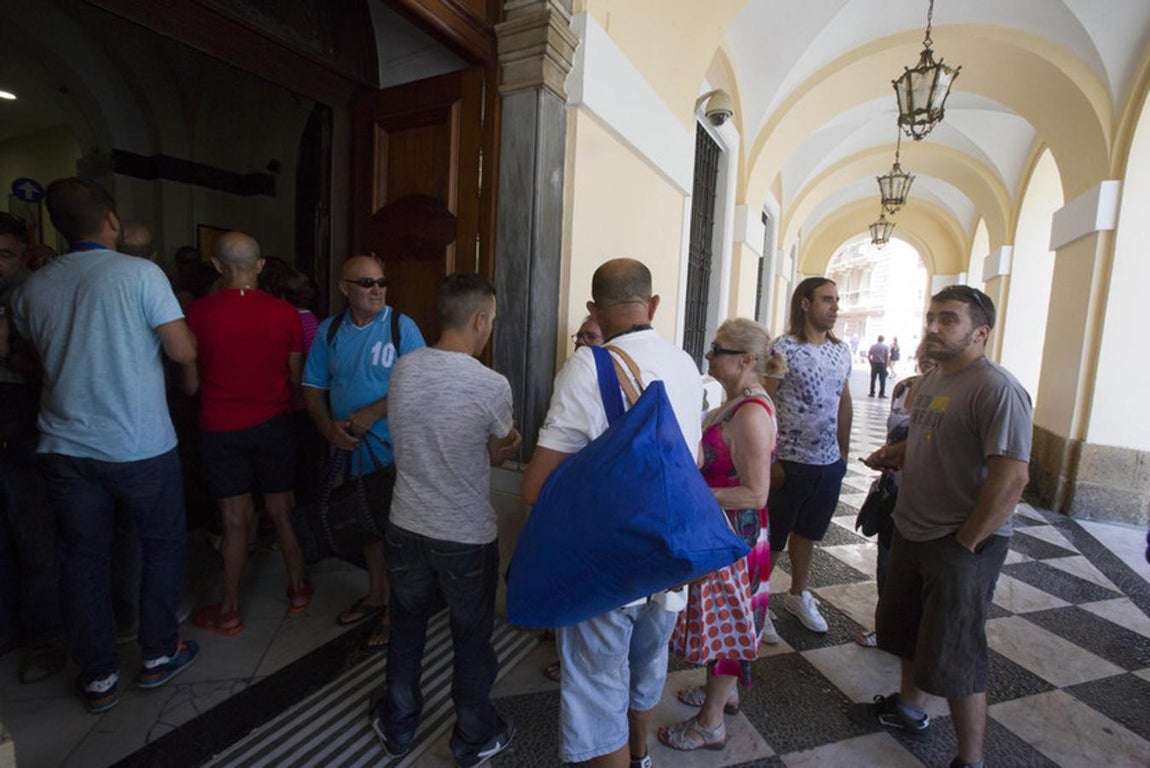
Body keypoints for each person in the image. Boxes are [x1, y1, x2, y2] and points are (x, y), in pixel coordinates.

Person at [12, 177, 199, 713]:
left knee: (80, 558)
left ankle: (97, 677)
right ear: (111, 219)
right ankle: (160, 654)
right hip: (139, 443)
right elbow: (181, 348)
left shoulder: (34, 286)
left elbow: (29, 357)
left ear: (55, 226)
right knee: (161, 545)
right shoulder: (141, 274)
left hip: (65, 447)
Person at [522, 258, 704, 768]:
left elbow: (535, 488)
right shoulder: (688, 365)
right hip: (670, 561)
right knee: (646, 670)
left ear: (593, 311)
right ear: (653, 305)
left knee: (598, 694)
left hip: (609, 567)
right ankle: (641, 756)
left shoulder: (588, 365)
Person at [859, 286, 1031, 768]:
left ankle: (970, 759)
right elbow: (930, 441)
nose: (933, 326)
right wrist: (897, 455)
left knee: (957, 654)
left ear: (981, 332)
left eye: (948, 319)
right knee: (909, 631)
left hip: (959, 542)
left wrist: (966, 544)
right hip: (913, 530)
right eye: (931, 316)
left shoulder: (997, 389)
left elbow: (1012, 478)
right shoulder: (935, 380)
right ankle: (911, 710)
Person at [371, 273, 520, 766]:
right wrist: (508, 442)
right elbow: (497, 456)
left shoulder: (404, 369)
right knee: (471, 635)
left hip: (405, 524)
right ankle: (473, 733)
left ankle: (398, 723)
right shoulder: (491, 384)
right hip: (464, 535)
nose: (490, 328)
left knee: (407, 626)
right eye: (492, 321)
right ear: (480, 319)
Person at [659, 319, 781, 752]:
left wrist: (692, 494)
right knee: (723, 621)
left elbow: (755, 492)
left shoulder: (750, 414)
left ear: (746, 360)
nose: (709, 355)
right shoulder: (738, 402)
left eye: (718, 349)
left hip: (736, 537)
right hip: (726, 530)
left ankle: (710, 724)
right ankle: (722, 693)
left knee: (730, 621)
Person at [185, 232, 310, 634]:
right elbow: (295, 378)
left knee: (235, 520)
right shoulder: (286, 314)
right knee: (281, 510)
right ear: (259, 266)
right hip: (274, 424)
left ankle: (230, 609)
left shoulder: (197, 313)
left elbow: (189, 385)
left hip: (220, 427)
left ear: (217, 265)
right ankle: (298, 590)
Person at [302, 254, 425, 648]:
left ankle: (396, 610)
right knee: (366, 525)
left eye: (381, 282)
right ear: (345, 288)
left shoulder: (400, 327)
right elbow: (312, 385)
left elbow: (421, 382)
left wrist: (374, 411)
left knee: (395, 534)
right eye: (367, 282)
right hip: (351, 451)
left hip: (394, 453)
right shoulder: (330, 331)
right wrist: (327, 429)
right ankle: (376, 594)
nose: (376, 289)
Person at [762, 277, 852, 640]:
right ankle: (758, 602)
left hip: (827, 463)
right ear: (805, 303)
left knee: (808, 534)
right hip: (788, 463)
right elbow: (763, 401)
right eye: (827, 300)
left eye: (836, 300)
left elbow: (843, 401)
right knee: (773, 539)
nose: (834, 307)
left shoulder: (841, 350)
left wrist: (842, 454)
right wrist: (768, 459)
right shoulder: (781, 349)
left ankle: (798, 594)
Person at [0, 212, 65, 685]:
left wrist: (8, 351)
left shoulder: (35, 296)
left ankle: (44, 638)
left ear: (23, 254)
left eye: (4, 254)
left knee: (35, 536)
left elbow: (54, 367)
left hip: (25, 423)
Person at [855, 343, 936, 648]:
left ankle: (918, 637)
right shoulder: (903, 388)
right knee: (887, 564)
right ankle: (885, 627)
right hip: (892, 491)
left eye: (934, 354)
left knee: (919, 573)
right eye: (924, 352)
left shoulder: (950, 397)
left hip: (925, 497)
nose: (928, 357)